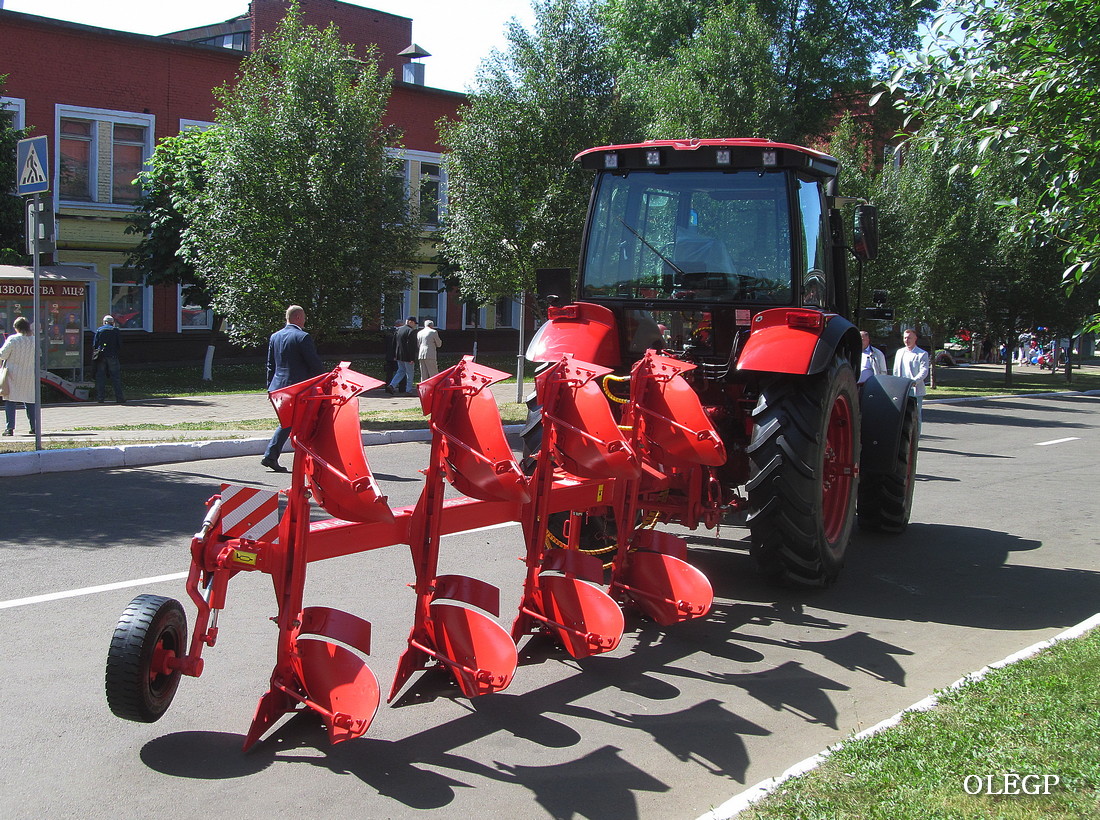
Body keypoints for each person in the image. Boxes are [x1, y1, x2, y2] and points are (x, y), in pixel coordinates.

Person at [261, 305, 325, 472]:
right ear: (297, 317)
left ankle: (272, 455)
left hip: (278, 387)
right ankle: (307, 458)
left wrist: (270, 388)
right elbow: (314, 364)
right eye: (304, 317)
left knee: (287, 422)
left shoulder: (275, 336)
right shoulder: (302, 337)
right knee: (301, 422)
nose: (305, 320)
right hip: (298, 388)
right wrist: (324, 380)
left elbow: (270, 365)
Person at [1, 316, 37, 436]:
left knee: (10, 400)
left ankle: (9, 428)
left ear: (16, 328)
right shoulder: (34, 340)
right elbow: (39, 355)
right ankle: (34, 427)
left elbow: (3, 355)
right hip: (29, 374)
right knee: (30, 400)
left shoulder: (12, 339)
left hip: (13, 374)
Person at [892, 327, 930, 422]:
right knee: (901, 416)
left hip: (915, 389)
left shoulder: (922, 354)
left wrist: (914, 382)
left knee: (916, 417)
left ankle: (916, 436)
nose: (906, 340)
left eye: (909, 338)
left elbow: (924, 371)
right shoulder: (900, 352)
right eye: (905, 338)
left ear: (915, 338)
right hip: (902, 389)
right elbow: (896, 370)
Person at [92, 315, 125, 404]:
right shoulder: (116, 330)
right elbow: (120, 345)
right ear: (112, 322)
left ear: (104, 322)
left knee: (100, 377)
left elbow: (95, 344)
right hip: (113, 356)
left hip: (101, 357)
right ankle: (119, 398)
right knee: (116, 377)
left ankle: (100, 398)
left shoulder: (99, 330)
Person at [385, 316, 418, 395]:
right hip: (407, 356)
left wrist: (394, 354)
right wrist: (412, 358)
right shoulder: (411, 331)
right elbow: (411, 346)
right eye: (414, 323)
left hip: (398, 355)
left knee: (401, 371)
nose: (415, 325)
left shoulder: (399, 330)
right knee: (410, 373)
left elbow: (394, 343)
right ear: (410, 322)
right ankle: (408, 390)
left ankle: (392, 385)